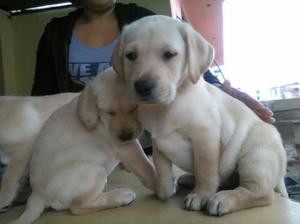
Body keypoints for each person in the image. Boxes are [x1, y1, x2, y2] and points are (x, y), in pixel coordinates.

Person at [31, 0, 274, 146]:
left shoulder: (140, 19)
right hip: (84, 142)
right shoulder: (56, 33)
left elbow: (184, 64)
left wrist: (230, 95)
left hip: (146, 141)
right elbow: (41, 96)